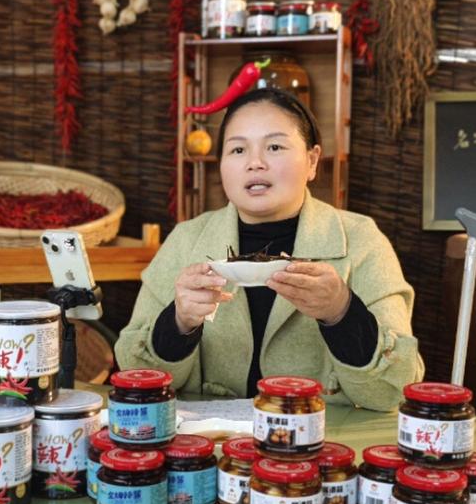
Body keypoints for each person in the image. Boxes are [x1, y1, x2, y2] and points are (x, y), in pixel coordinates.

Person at [115, 87, 424, 412]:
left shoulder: (361, 241)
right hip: (209, 447)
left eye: (274, 146)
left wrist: (340, 311)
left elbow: (396, 389)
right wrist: (179, 323)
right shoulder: (186, 240)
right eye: (237, 150)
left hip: (320, 448)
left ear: (312, 160)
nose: (255, 163)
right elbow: (134, 375)